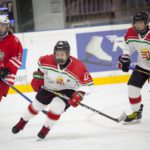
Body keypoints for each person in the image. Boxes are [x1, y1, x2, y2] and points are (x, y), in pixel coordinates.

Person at [12, 41, 94, 139]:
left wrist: (79, 95)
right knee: (36, 105)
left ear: (68, 54)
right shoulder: (46, 60)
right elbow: (40, 70)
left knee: (56, 107)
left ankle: (46, 128)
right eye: (57, 54)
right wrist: (38, 77)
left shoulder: (78, 67)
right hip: (49, 86)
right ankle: (22, 122)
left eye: (62, 54)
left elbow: (88, 84)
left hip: (67, 90)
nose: (59, 57)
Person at [118, 11, 150, 124]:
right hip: (142, 67)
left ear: (146, 23)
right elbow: (127, 47)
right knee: (132, 88)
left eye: (140, 22)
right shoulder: (131, 33)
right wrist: (125, 58)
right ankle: (136, 113)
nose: (138, 25)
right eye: (136, 22)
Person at [0, 15, 23, 102]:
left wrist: (5, 70)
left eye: (2, 25)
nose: (0, 27)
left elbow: (17, 58)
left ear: (7, 26)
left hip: (4, 76)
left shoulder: (13, 40)